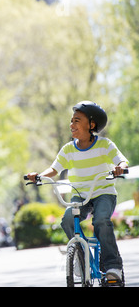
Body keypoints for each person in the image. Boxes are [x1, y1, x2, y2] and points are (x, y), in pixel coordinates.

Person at [26, 101, 128, 281]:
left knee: (101, 221)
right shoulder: (68, 149)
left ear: (91, 125)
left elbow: (121, 161)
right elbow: (54, 169)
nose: (71, 125)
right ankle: (82, 259)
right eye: (71, 121)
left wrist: (120, 167)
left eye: (77, 121)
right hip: (79, 194)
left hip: (103, 192)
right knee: (66, 220)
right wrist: (39, 176)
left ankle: (113, 266)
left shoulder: (104, 145)